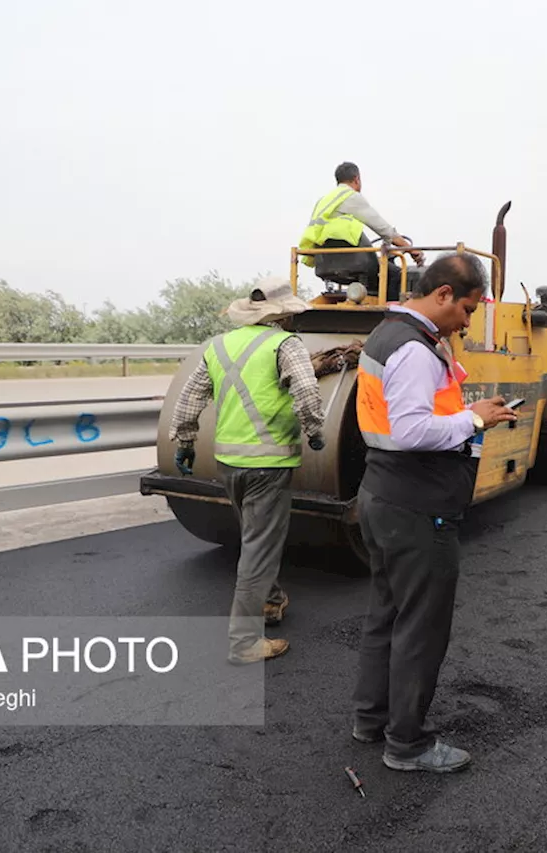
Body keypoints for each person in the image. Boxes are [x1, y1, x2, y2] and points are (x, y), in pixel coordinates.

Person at [350, 252, 517, 773]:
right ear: (443, 293)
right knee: (421, 627)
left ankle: (370, 719)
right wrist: (475, 418)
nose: (467, 321)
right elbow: (411, 431)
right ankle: (408, 744)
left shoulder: (385, 334)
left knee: (387, 614)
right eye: (467, 308)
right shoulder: (415, 351)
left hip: (382, 495)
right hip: (417, 506)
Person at [168, 277, 325, 664]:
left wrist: (186, 442)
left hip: (229, 463)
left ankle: (270, 602)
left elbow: (189, 399)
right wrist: (316, 431)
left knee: (255, 537)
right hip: (268, 465)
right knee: (258, 549)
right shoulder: (285, 345)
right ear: (283, 315)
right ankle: (243, 643)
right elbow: (307, 393)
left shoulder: (218, 345)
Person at [298, 162, 423, 301]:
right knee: (397, 275)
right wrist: (412, 250)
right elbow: (385, 231)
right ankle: (392, 316)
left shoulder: (324, 201)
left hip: (325, 262)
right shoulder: (350, 196)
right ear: (357, 179)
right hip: (352, 265)